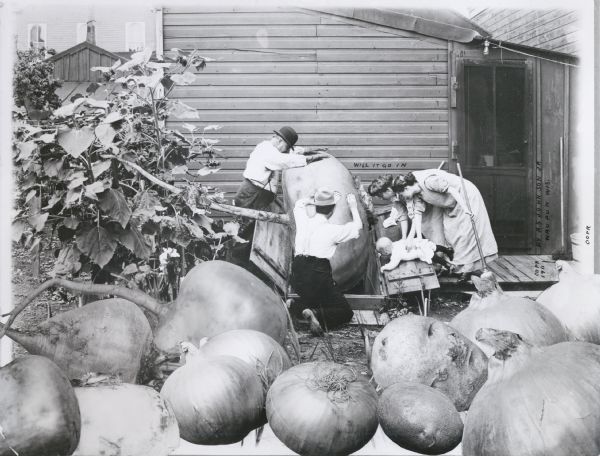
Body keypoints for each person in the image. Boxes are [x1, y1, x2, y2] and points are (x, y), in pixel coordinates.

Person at [371, 169, 498, 277]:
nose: (382, 199)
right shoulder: (410, 192)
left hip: (463, 197)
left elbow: (451, 190)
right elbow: (412, 214)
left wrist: (465, 208)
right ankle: (460, 267)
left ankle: (469, 270)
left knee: (465, 234)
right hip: (449, 203)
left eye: (381, 195)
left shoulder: (424, 182)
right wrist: (409, 238)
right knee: (451, 233)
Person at [288, 187, 362, 335]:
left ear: (315, 206)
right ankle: (316, 314)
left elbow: (299, 205)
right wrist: (353, 207)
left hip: (297, 275)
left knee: (313, 296)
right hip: (318, 276)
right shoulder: (332, 230)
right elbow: (358, 227)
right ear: (332, 210)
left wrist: (312, 198)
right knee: (345, 312)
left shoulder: (303, 220)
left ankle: (295, 305)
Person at [234, 126, 328, 210]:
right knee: (248, 222)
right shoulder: (267, 151)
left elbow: (293, 153)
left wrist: (313, 150)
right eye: (286, 147)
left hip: (259, 192)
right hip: (252, 193)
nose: (286, 151)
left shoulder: (270, 147)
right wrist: (313, 158)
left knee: (258, 222)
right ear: (280, 141)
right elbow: (287, 160)